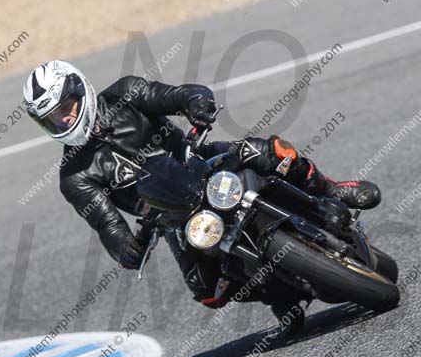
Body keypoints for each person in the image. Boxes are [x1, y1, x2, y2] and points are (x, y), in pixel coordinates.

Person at [23, 60, 381, 322]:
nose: (64, 120)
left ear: (80, 91)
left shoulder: (125, 93)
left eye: (66, 108)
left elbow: (176, 95)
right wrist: (126, 249)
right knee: (207, 291)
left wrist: (197, 104)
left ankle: (332, 189)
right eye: (52, 118)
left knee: (270, 152)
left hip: (199, 160)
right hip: (171, 216)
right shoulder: (74, 176)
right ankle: (276, 293)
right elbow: (107, 225)